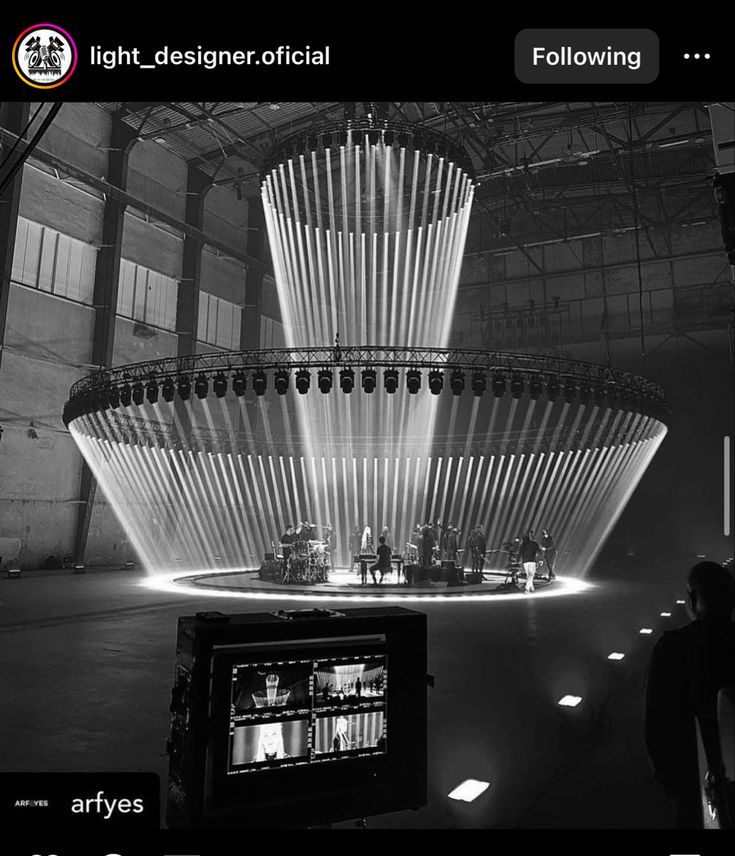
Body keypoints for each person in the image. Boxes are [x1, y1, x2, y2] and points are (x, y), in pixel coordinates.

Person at [644, 561, 735, 828]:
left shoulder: (673, 647)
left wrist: (673, 787)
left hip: (691, 785)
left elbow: (656, 727)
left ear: (693, 600)